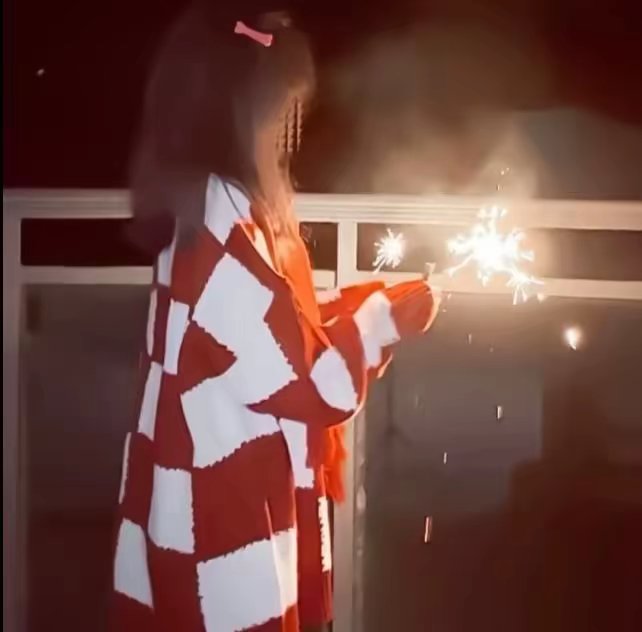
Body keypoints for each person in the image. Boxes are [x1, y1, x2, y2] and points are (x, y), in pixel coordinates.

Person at [111, 3, 440, 631]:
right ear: (244, 113)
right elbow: (312, 385)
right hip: (217, 520)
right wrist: (383, 322)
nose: (290, 130)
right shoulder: (222, 236)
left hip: (199, 493)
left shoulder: (204, 211)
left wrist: (364, 301)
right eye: (284, 110)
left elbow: (274, 334)